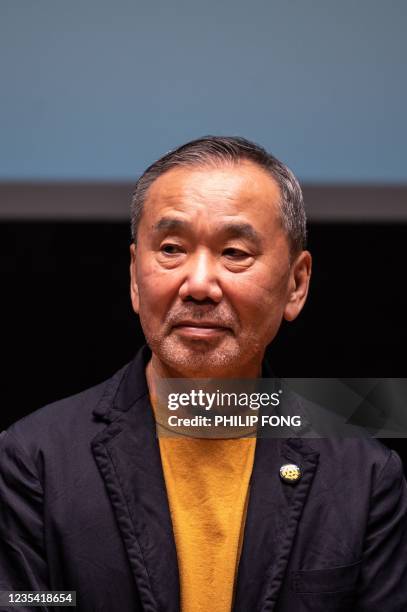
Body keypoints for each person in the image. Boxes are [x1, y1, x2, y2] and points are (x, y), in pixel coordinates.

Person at [0, 136, 406, 612]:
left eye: (235, 253)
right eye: (171, 248)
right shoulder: (36, 458)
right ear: (134, 277)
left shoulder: (364, 473)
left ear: (296, 284)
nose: (198, 285)